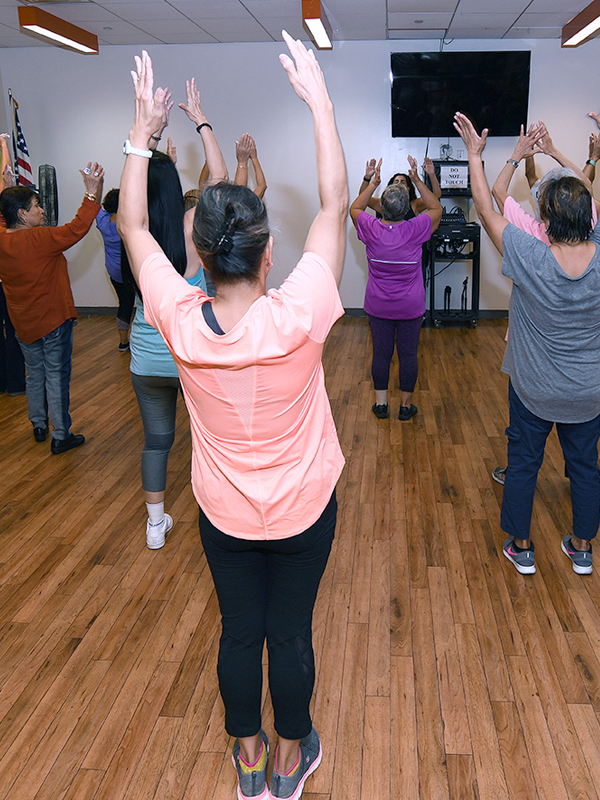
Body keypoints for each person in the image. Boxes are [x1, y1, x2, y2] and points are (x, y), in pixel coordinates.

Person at [117, 35, 347, 800]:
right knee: (289, 635)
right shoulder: (302, 313)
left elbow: (132, 229)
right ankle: (290, 760)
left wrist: (140, 135)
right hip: (304, 510)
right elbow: (335, 203)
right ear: (268, 254)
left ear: (202, 258)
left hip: (224, 515)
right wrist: (319, 102)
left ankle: (248, 757)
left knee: (239, 632)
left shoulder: (180, 321)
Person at [455, 111, 600, 577]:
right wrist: (576, 156)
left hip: (534, 388)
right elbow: (592, 195)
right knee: (584, 468)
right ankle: (581, 548)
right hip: (589, 391)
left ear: (546, 218)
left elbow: (485, 205)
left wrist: (476, 156)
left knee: (524, 465)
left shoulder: (530, 253)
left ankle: (521, 546)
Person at [122, 79, 227, 550]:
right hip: (191, 355)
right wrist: (201, 121)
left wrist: (142, 140)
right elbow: (221, 184)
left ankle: (154, 525)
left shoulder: (137, 234)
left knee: (156, 441)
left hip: (147, 358)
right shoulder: (191, 226)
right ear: (175, 188)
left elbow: (132, 213)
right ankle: (219, 512)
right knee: (207, 437)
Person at [0, 162, 103, 452]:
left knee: (34, 374)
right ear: (22, 214)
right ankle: (61, 436)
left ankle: (39, 425)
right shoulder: (40, 238)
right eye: (36, 206)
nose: (42, 210)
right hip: (54, 322)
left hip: (23, 324)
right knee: (57, 376)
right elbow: (77, 229)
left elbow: (2, 215)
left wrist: (8, 187)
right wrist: (91, 195)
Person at [350, 155, 442, 421]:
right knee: (408, 356)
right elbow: (436, 208)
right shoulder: (415, 228)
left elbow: (356, 208)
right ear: (405, 210)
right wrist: (417, 179)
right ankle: (404, 407)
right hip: (410, 307)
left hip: (378, 305)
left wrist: (371, 181)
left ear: (383, 209)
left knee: (381, 354)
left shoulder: (371, 228)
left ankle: (381, 405)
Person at [0, 133, 25, 396]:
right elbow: (7, 177)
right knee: (14, 329)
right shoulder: (4, 211)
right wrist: (5, 144)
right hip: (5, 279)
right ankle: (16, 383)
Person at [95, 188, 135, 351]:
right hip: (132, 272)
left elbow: (95, 204)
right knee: (142, 305)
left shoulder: (102, 221)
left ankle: (123, 342)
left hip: (114, 272)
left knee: (124, 304)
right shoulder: (128, 223)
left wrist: (97, 185)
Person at [360, 155, 442, 219]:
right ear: (390, 187)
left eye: (403, 182)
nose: (399, 184)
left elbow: (436, 196)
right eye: (396, 182)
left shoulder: (414, 205)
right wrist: (367, 178)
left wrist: (432, 175)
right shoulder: (382, 204)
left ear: (408, 188)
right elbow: (362, 198)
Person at [234, 133, 267, 199]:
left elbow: (262, 186)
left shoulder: (247, 205)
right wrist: (253, 157)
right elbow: (262, 186)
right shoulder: (248, 206)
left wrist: (243, 161)